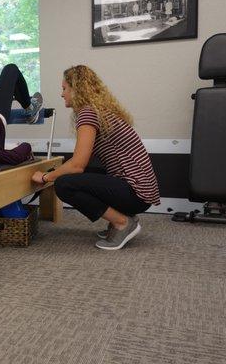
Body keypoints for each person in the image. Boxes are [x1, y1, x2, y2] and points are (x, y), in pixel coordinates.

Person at [31, 65, 160, 250]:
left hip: (136, 195)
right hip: (140, 192)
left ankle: (122, 222)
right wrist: (55, 172)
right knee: (77, 174)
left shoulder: (88, 113)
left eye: (64, 88)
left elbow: (76, 166)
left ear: (78, 89)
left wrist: (45, 177)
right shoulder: (100, 111)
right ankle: (121, 218)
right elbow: (85, 163)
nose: (62, 94)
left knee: (64, 184)